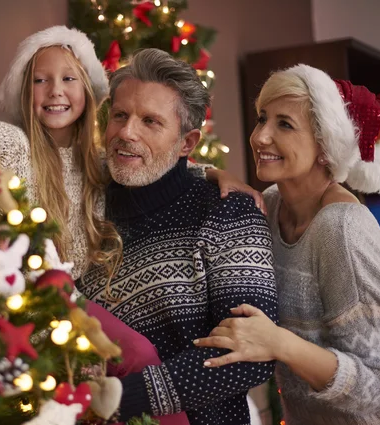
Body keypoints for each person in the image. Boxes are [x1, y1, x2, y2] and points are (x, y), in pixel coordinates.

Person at [0, 25, 263, 282]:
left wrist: (216, 173)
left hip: (72, 315)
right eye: (40, 80)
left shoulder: (101, 164)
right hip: (15, 302)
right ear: (25, 92)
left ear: (89, 92)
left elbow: (160, 160)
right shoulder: (17, 147)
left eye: (69, 79)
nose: (55, 91)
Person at [195, 64, 380, 424]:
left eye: (284, 124)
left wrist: (279, 343)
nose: (260, 136)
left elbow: (379, 386)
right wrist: (213, 172)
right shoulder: (272, 204)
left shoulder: (342, 229)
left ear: (326, 145)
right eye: (262, 118)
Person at [77, 48, 278, 425]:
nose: (125, 132)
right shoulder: (82, 204)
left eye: (150, 121)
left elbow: (250, 353)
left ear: (187, 143)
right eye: (120, 115)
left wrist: (120, 398)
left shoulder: (228, 213)